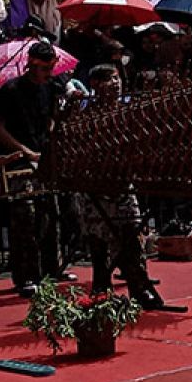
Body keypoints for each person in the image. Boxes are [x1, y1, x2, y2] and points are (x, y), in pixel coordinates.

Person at [75, 64, 167, 307]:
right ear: (94, 85)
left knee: (131, 231)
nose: (115, 84)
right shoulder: (86, 115)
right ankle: (101, 288)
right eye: (107, 79)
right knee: (99, 239)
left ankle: (139, 285)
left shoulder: (128, 112)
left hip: (124, 183)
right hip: (96, 185)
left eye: (116, 78)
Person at [0, 41, 73, 296]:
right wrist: (23, 150)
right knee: (24, 217)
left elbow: (49, 119)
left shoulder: (50, 88)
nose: (49, 73)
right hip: (18, 159)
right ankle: (25, 275)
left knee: (51, 213)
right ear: (32, 64)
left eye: (51, 68)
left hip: (43, 156)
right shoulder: (10, 90)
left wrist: (49, 141)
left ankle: (52, 268)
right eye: (45, 68)